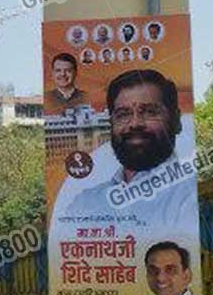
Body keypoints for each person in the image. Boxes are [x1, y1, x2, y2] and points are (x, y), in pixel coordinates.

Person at [62, 70, 196, 231]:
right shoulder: (86, 203)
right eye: (123, 114)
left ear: (176, 121)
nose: (135, 124)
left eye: (149, 112)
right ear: (111, 124)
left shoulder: (191, 195)